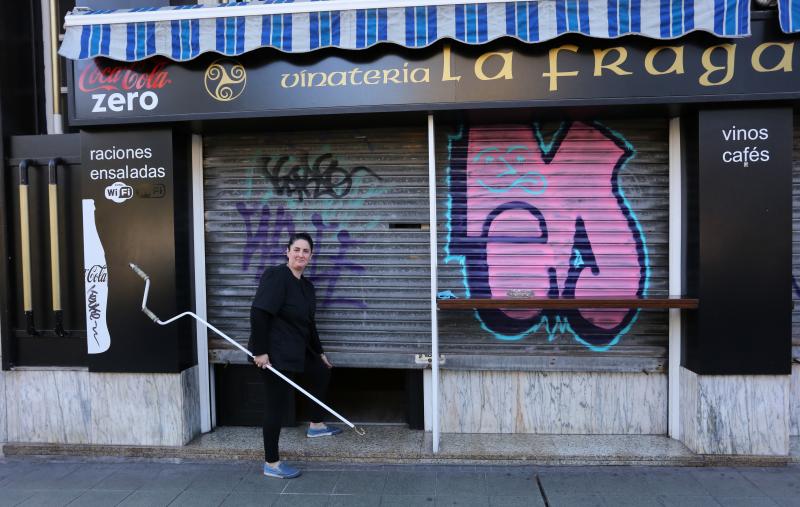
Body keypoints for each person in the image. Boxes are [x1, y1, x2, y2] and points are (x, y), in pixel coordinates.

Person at [248, 232, 341, 479]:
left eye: (306, 251)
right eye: (296, 249)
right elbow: (258, 313)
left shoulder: (306, 287)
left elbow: (310, 325)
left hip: (296, 349)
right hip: (273, 354)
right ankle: (272, 463)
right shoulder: (277, 277)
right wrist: (260, 351)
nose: (301, 254)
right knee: (275, 407)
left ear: (311, 256)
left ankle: (316, 425)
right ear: (287, 252)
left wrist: (319, 352)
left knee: (321, 371)